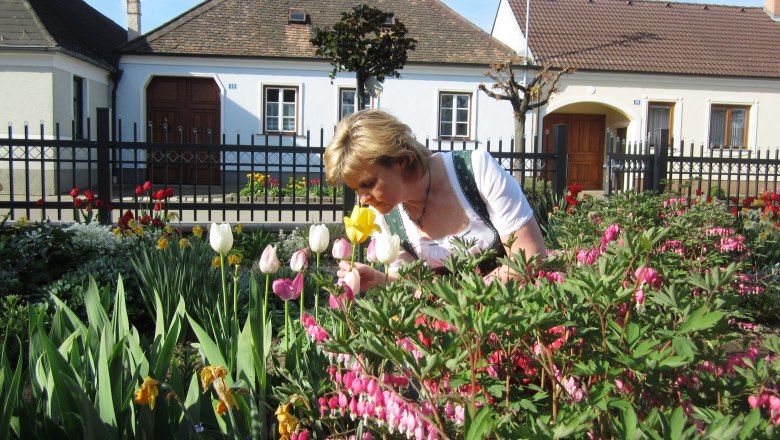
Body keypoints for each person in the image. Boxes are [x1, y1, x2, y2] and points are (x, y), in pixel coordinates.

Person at [324, 109, 546, 291]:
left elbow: (530, 256)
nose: (362, 200)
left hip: (515, 322)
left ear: (400, 160)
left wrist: (458, 299)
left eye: (369, 183)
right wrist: (381, 279)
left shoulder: (475, 171)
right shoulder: (384, 218)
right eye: (356, 189)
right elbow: (418, 284)